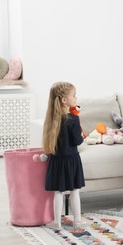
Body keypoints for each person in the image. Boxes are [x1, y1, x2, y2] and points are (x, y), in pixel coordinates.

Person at [43, 81, 87, 229]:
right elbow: (78, 141)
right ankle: (77, 220)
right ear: (64, 100)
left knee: (58, 192)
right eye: (74, 95)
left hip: (56, 161)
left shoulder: (51, 119)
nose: (76, 98)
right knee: (75, 191)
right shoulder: (73, 119)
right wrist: (82, 134)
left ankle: (57, 222)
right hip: (72, 160)